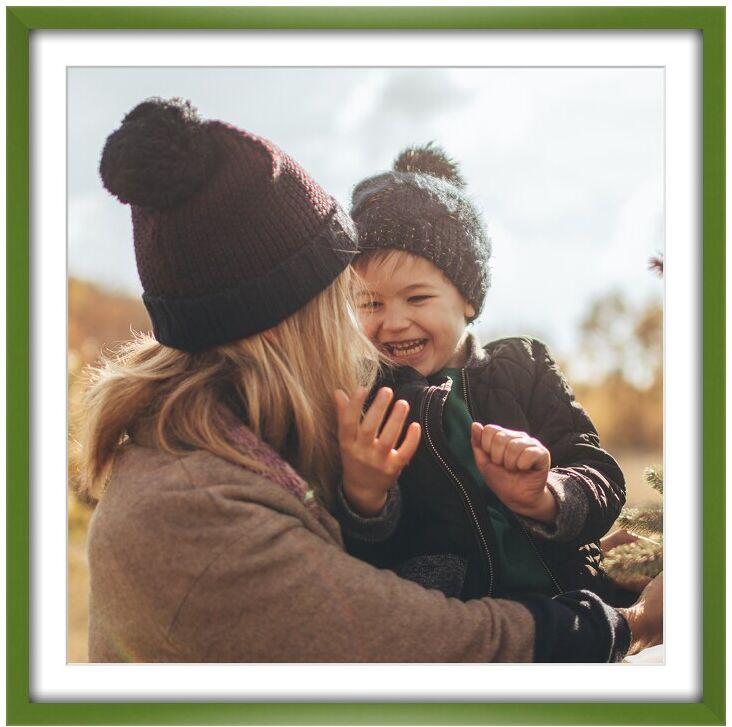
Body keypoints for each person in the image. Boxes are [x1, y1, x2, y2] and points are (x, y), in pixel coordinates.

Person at [80, 97, 660, 663]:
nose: (378, 323)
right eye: (353, 297)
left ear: (469, 300)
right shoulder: (199, 514)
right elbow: (416, 642)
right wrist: (631, 625)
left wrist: (557, 510)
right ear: (281, 323)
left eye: (417, 296)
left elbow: (586, 467)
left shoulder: (254, 438)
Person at [336, 144, 630, 605]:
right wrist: (364, 495)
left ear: (467, 300)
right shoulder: (367, 401)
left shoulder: (523, 366)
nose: (393, 322)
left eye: (417, 299)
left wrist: (546, 495)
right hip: (459, 626)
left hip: (575, 601)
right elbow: (360, 558)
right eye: (371, 303)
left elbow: (601, 476)